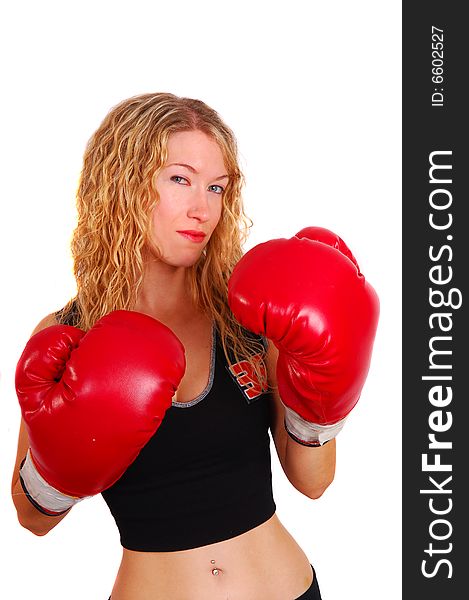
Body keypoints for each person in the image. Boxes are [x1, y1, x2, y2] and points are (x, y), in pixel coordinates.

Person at [11, 92, 379, 600]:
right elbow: (32, 518)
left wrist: (323, 400)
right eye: (180, 179)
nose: (202, 207)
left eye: (217, 187)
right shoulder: (70, 336)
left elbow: (313, 482)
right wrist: (63, 462)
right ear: (123, 185)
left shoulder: (249, 314)